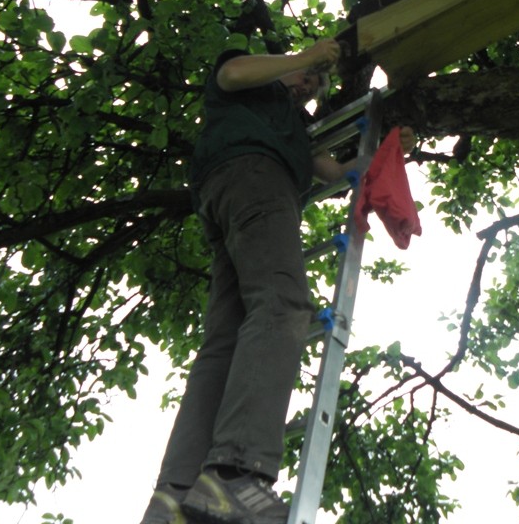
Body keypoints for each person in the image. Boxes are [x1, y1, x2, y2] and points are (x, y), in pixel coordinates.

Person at [140, 39, 413, 524]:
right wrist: (306, 58)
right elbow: (233, 73)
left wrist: (388, 153)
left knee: (224, 340)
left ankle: (174, 496)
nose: (309, 85)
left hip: (229, 196)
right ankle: (236, 474)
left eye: (314, 87)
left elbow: (338, 170)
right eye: (305, 81)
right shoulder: (248, 83)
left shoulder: (292, 128)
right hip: (254, 179)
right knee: (283, 304)